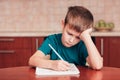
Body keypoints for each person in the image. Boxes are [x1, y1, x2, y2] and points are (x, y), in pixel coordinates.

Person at [29, 6, 103, 71]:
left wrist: (87, 37)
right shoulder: (52, 40)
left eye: (78, 37)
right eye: (69, 34)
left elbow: (97, 66)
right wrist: (52, 64)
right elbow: (32, 61)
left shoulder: (82, 44)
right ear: (63, 24)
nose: (71, 40)